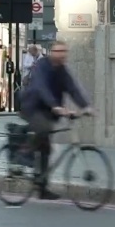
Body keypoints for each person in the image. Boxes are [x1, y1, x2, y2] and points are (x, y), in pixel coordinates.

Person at [16, 40, 93, 200]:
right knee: (44, 128)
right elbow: (41, 88)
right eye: (58, 51)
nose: (62, 54)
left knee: (46, 149)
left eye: (64, 51)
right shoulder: (42, 66)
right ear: (52, 52)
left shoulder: (62, 71)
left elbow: (73, 89)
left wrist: (86, 106)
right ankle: (24, 153)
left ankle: (42, 187)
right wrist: (55, 106)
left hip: (48, 111)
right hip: (32, 106)